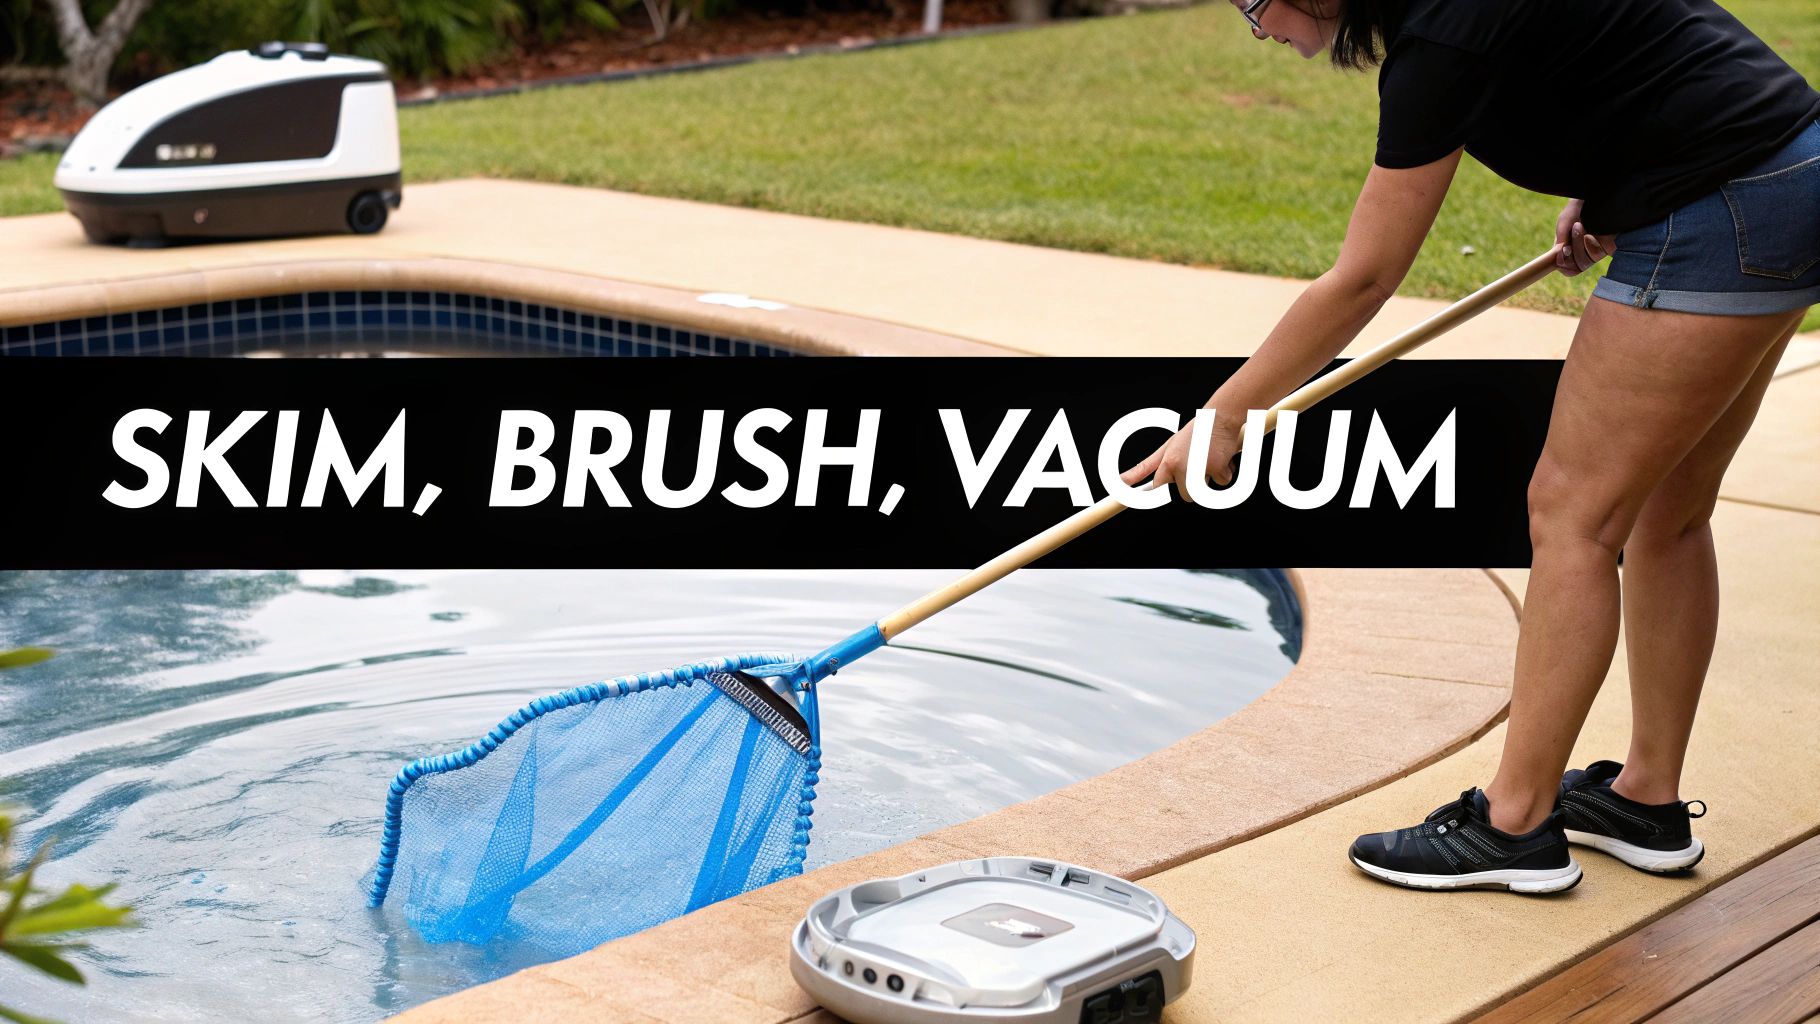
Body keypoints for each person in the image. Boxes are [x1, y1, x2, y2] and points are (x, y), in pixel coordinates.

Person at [1124, 0, 1820, 892]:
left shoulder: (1439, 43)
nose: (1258, 30)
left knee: (1573, 518)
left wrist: (1224, 419)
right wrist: (1616, 184)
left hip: (1718, 208)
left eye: (1254, 6)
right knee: (1666, 512)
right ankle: (1643, 801)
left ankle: (1514, 823)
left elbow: (1366, 275)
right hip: (1790, 171)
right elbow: (1629, 44)